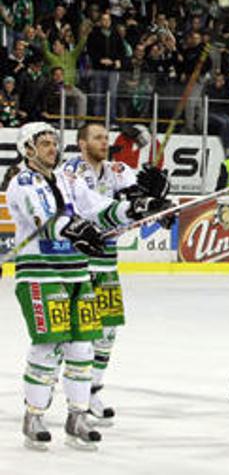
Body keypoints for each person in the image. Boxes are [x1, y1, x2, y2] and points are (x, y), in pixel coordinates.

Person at [9, 122, 167, 450]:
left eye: (54, 142)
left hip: (77, 272)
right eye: (44, 143)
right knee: (49, 345)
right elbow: (48, 220)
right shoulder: (22, 183)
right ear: (28, 149)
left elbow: (98, 207)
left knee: (82, 347)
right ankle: (34, 415)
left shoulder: (68, 180)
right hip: (42, 273)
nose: (53, 148)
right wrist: (81, 229)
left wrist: (138, 207)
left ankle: (77, 416)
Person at [59, 123, 172, 424]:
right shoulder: (69, 172)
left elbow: (134, 199)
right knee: (73, 333)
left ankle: (92, 390)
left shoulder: (118, 170)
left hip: (107, 261)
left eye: (106, 138)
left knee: (107, 332)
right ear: (82, 143)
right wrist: (134, 205)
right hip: (79, 260)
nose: (104, 142)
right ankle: (53, 387)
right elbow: (86, 208)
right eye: (97, 138)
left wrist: (155, 201)